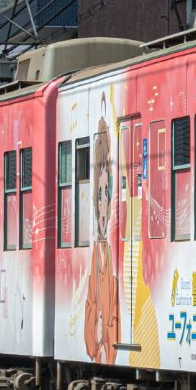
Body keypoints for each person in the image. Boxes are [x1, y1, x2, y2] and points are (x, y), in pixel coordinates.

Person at [82, 123, 120, 364]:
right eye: (99, 194)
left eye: (107, 193)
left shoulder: (109, 254)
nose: (103, 203)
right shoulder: (97, 254)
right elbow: (91, 306)